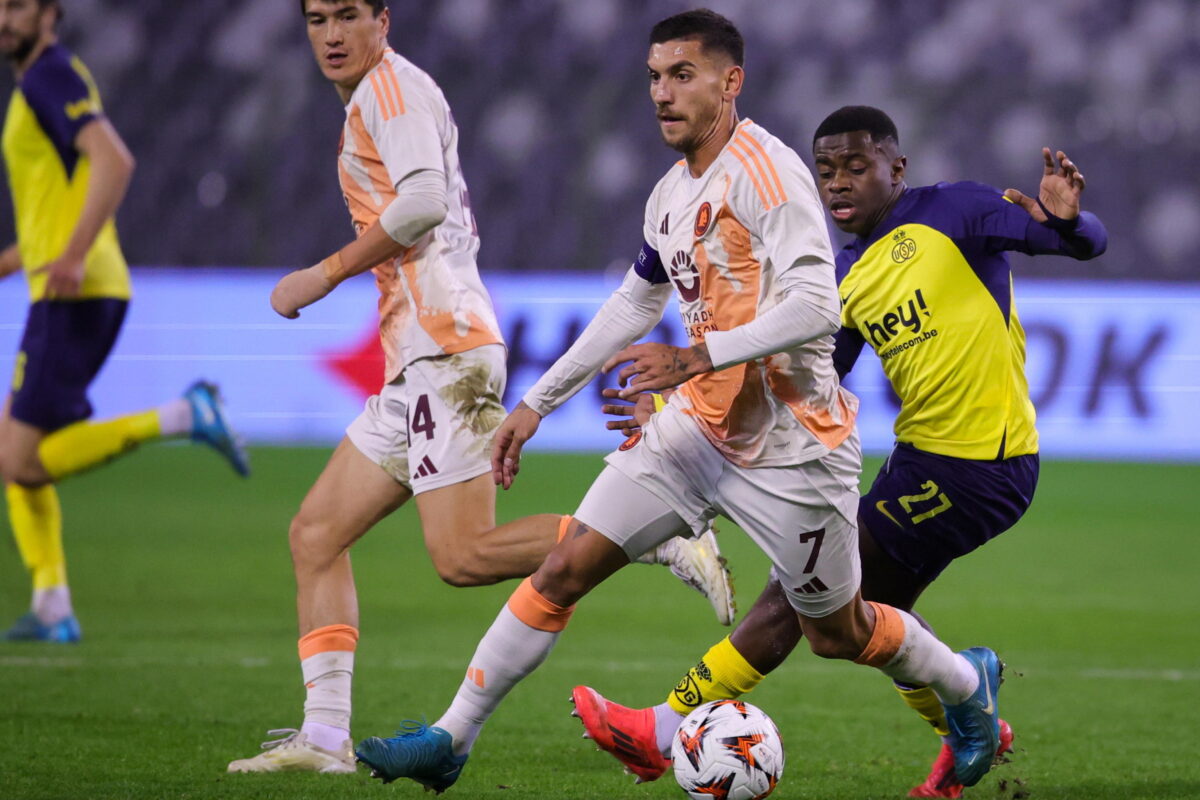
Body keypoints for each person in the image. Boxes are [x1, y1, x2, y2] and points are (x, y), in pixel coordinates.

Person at [354, 12, 1003, 794]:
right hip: (695, 431)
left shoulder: (769, 173)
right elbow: (634, 302)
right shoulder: (669, 194)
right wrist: (536, 404)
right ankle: (450, 739)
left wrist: (699, 354)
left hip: (794, 447)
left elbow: (817, 305)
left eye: (682, 75)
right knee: (563, 567)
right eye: (655, 77)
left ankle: (965, 686)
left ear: (730, 82)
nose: (662, 93)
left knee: (839, 631)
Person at [225, 0, 732, 775]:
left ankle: (656, 538)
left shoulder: (389, 92)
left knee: (461, 556)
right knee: (316, 535)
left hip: (446, 346)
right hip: (419, 355)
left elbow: (424, 200)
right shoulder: (383, 94)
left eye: (347, 15)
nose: (331, 34)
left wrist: (322, 275)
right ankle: (324, 738)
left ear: (382, 20)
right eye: (317, 19)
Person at [575, 105, 1108, 798]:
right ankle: (968, 728)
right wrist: (680, 401)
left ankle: (663, 728)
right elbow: (801, 381)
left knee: (802, 591)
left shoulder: (958, 211)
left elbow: (1078, 243)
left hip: (983, 464)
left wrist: (1070, 221)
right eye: (826, 171)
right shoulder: (842, 279)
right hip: (919, 459)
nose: (839, 183)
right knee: (870, 618)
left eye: (856, 167)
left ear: (897, 167)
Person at [0, 0, 249, 644]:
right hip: (71, 286)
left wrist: (73, 255)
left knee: (18, 460)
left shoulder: (48, 76)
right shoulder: (50, 78)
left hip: (76, 290)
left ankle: (183, 415)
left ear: (50, 13)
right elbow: (56, 203)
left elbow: (115, 161)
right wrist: (17, 261)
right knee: (14, 448)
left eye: (17, 6)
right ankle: (50, 601)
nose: (4, 18)